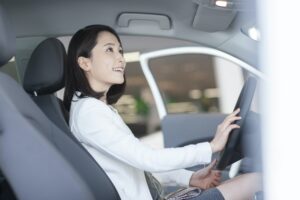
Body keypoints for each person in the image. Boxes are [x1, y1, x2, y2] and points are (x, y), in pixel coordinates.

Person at [63, 24, 261, 200]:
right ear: (85, 63)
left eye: (120, 50)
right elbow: (147, 159)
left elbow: (138, 167)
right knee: (254, 181)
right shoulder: (89, 113)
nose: (120, 58)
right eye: (109, 50)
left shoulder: (96, 108)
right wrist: (211, 146)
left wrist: (190, 177)